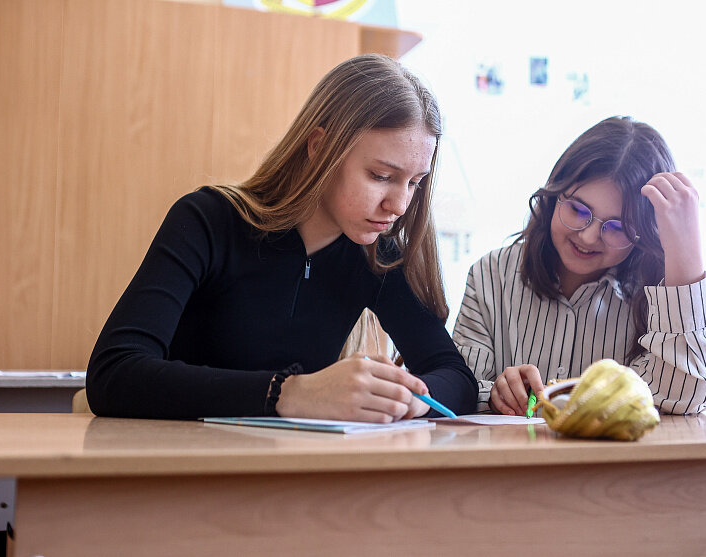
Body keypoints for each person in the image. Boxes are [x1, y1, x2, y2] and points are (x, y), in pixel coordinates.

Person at [86, 54, 478, 421]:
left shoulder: (377, 257)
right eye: (381, 176)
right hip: (181, 460)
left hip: (295, 466)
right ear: (319, 147)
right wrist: (287, 393)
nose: (400, 205)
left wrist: (407, 397)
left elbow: (457, 379)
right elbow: (113, 374)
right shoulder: (208, 220)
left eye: (415, 182)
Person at [452, 116, 706, 416]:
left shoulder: (658, 296)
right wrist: (494, 395)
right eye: (578, 210)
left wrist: (686, 250)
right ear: (554, 196)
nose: (588, 236)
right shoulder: (490, 275)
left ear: (642, 235)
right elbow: (458, 389)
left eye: (618, 227)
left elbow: (688, 394)